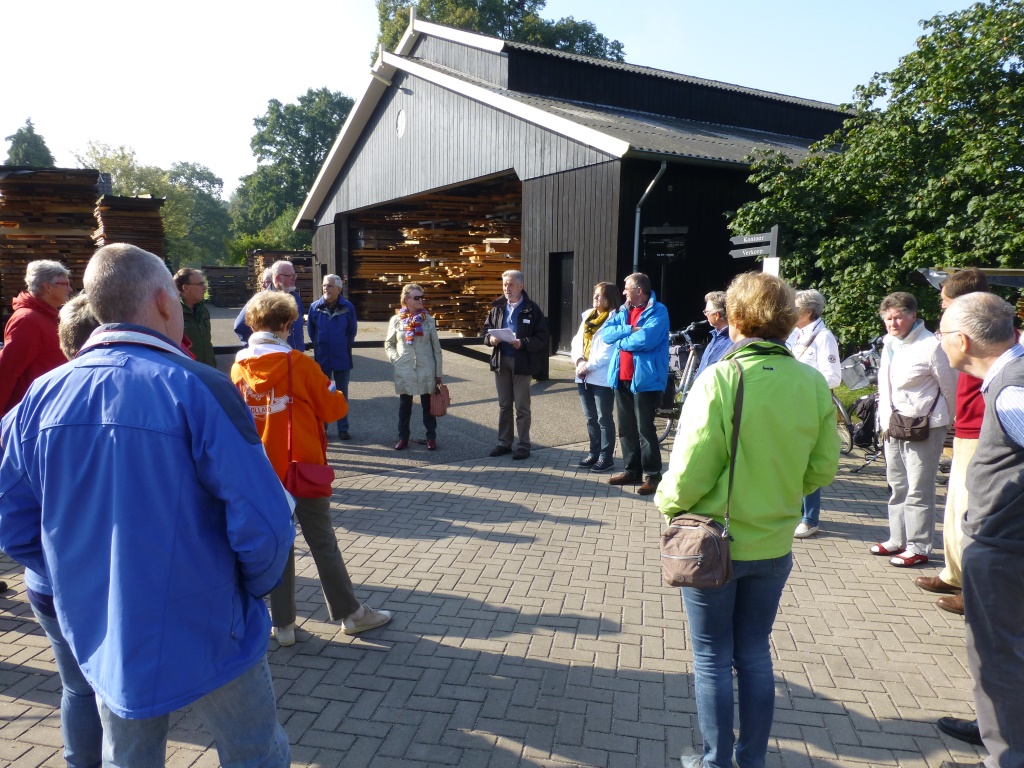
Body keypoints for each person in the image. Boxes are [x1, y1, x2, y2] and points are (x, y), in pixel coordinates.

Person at [0, 243, 295, 767]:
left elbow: (12, 517)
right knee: (255, 753)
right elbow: (266, 524)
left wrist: (76, 575)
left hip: (105, 626)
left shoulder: (39, 397)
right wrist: (248, 589)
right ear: (163, 301)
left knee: (128, 758)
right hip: (212, 622)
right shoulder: (199, 386)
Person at [655, 272, 840, 768]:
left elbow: (690, 472)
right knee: (754, 653)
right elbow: (823, 468)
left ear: (736, 318)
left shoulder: (721, 377)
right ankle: (750, 760)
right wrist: (778, 492)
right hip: (775, 541)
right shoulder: (811, 381)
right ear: (787, 319)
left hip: (716, 543)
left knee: (712, 656)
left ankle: (716, 761)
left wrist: (666, 503)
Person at [232, 291, 392, 646]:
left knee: (280, 546)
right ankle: (352, 615)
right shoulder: (299, 364)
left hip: (262, 473)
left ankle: (283, 625)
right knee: (322, 543)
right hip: (301, 467)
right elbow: (335, 409)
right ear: (286, 325)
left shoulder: (238, 366)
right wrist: (332, 390)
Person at [0, 293, 102, 767]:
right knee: (118, 694)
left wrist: (50, 564)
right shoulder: (149, 399)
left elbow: (10, 519)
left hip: (50, 585)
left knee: (77, 688)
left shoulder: (24, 412)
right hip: (108, 584)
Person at [935, 292, 1024, 768]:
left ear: (963, 341)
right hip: (1004, 541)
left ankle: (1007, 755)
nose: (940, 341)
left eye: (942, 332)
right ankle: (999, 730)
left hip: (1005, 547)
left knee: (1000, 655)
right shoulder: (1010, 377)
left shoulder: (1012, 389)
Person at [915, 269, 991, 618]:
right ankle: (954, 573)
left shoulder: (987, 331)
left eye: (944, 299)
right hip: (966, 428)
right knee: (955, 505)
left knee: (971, 510)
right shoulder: (965, 331)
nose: (941, 305)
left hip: (981, 431)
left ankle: (972, 589)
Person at [872, 291, 956, 567]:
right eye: (888, 318)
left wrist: (943, 421)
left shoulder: (931, 345)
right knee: (897, 485)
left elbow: (950, 387)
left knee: (919, 488)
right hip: (893, 424)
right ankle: (897, 539)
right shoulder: (889, 343)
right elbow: (885, 386)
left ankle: (919, 546)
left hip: (924, 425)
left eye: (898, 317)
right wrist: (884, 421)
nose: (892, 323)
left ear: (913, 316)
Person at [602, 272, 670, 496]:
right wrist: (629, 330)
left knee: (645, 429)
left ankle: (653, 475)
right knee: (626, 428)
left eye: (626, 288)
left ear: (639, 291)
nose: (623, 292)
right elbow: (606, 334)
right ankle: (632, 471)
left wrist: (621, 341)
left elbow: (646, 340)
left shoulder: (658, 311)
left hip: (644, 380)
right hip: (621, 377)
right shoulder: (623, 310)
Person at [788, 289, 842, 538]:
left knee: (807, 462)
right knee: (793, 461)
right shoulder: (795, 334)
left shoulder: (824, 336)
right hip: (792, 405)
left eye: (795, 308)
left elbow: (833, 377)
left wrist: (803, 384)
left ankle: (810, 519)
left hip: (810, 406)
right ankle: (795, 513)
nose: (790, 311)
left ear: (808, 311)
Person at [482, 270, 549, 460]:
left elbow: (542, 337)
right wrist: (490, 339)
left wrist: (523, 343)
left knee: (522, 406)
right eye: (504, 284)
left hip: (522, 362)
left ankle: (524, 445)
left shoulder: (531, 309)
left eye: (510, 284)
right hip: (501, 360)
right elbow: (486, 331)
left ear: (521, 286)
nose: (507, 288)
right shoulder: (497, 308)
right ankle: (504, 443)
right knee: (504, 405)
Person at [0, 259, 73, 415]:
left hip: (48, 407)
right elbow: (7, 370)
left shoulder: (48, 316)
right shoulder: (27, 320)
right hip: (32, 412)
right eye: (65, 284)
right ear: (47, 286)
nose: (70, 289)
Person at [384, 283, 443, 451]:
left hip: (426, 368)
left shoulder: (428, 320)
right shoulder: (396, 320)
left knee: (428, 405)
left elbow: (436, 348)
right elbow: (389, 344)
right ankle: (403, 437)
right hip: (405, 368)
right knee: (405, 406)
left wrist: (438, 373)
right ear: (406, 300)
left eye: (421, 297)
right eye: (417, 297)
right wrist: (396, 360)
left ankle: (431, 437)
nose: (420, 300)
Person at [569, 282, 620, 473]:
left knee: (604, 419)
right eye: (595, 294)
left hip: (601, 377)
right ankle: (594, 453)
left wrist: (587, 366)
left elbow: (608, 351)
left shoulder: (614, 319)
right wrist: (579, 361)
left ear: (609, 298)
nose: (595, 297)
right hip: (583, 375)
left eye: (600, 295)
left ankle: (606, 457)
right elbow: (576, 342)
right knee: (590, 418)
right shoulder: (588, 316)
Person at [308, 274, 358, 440]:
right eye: (324, 285)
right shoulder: (315, 307)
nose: (326, 288)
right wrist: (320, 345)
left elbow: (352, 331)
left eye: (329, 286)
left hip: (342, 358)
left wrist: (342, 345)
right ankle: (323, 428)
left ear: (339, 289)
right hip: (322, 358)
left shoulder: (348, 307)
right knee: (324, 395)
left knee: (341, 395)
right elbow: (311, 332)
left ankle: (343, 429)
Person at [234, 260, 304, 350]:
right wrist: (256, 348)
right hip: (274, 355)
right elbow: (239, 326)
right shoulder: (261, 299)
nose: (294, 278)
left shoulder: (295, 297)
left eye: (295, 275)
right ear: (278, 278)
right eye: (290, 276)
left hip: (295, 354)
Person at [174, 268, 216, 367]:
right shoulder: (174, 313)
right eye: (200, 284)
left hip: (208, 368)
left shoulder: (202, 310)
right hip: (188, 370)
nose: (205, 288)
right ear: (186, 288)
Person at [694, 290, 731, 379]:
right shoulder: (716, 336)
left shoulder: (733, 341)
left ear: (717, 315)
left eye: (706, 312)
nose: (705, 315)